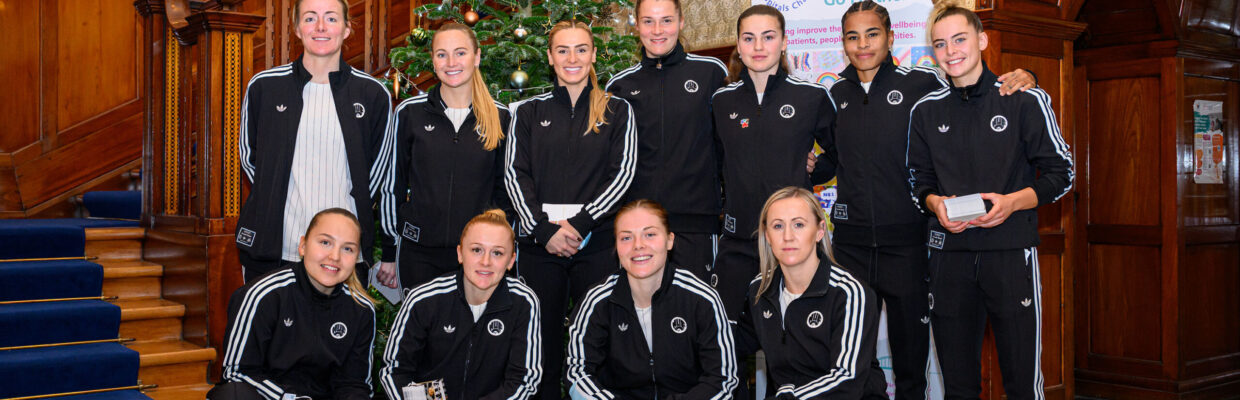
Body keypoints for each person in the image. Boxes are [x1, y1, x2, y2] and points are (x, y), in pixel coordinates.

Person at [823, 2, 1035, 398]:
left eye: (872, 34)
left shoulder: (922, 84)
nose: (862, 44)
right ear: (843, 43)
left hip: (908, 244)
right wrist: (811, 164)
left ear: (890, 37)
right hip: (850, 246)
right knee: (852, 359)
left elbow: (972, 92)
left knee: (911, 361)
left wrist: (1029, 75)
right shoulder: (833, 93)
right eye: (852, 36)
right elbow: (829, 159)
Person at [905, 4, 1073, 399]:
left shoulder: (1024, 100)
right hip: (949, 258)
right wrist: (936, 205)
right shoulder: (925, 112)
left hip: (1010, 254)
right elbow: (918, 182)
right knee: (958, 384)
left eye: (960, 39)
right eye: (941, 44)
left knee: (1021, 381)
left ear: (981, 40)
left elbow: (1062, 174)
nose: (951, 51)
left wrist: (1012, 203)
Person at [504, 20, 637, 400]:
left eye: (581, 49)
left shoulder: (617, 110)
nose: (572, 58)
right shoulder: (527, 112)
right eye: (562, 50)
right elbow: (515, 175)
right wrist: (544, 231)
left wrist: (578, 225)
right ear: (550, 57)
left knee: (597, 339)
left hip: (595, 246)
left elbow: (623, 175)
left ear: (594, 54)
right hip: (538, 247)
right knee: (539, 341)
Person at [236, 0, 394, 283]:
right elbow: (250, 157)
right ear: (297, 28)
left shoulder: (372, 94)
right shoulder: (264, 86)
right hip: (276, 248)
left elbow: (375, 173)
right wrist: (273, 198)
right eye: (310, 18)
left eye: (331, 19)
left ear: (346, 29)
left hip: (343, 253)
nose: (321, 27)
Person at [710, 4, 835, 322]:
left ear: (783, 42)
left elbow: (839, 156)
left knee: (796, 339)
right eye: (749, 38)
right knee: (728, 336)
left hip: (794, 244)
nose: (758, 47)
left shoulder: (811, 96)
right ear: (738, 45)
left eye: (768, 37)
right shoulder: (722, 101)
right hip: (738, 243)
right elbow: (715, 163)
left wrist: (813, 168)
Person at [375, 22, 513, 291]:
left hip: (478, 255)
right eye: (442, 54)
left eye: (460, 53)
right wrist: (390, 252)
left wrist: (497, 243)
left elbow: (506, 189)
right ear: (433, 61)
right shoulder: (409, 113)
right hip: (419, 253)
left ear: (477, 56)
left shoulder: (501, 116)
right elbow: (391, 186)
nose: (451, 62)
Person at [604, 0, 728, 281]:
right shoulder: (619, 86)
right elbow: (610, 158)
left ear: (681, 22)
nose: (658, 30)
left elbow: (733, 138)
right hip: (640, 226)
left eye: (666, 21)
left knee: (699, 312)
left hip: (697, 222)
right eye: (648, 21)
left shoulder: (711, 72)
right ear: (636, 25)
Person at [565, 200, 737, 400]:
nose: (638, 245)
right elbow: (576, 374)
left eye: (650, 234)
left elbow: (723, 380)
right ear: (617, 246)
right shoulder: (597, 302)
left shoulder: (702, 299)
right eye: (626, 237)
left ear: (669, 240)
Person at [210, 208, 376, 400]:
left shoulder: (361, 308)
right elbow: (237, 373)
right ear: (303, 246)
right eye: (325, 242)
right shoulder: (263, 295)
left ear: (356, 257)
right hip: (273, 397)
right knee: (232, 394)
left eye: (348, 248)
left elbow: (355, 384)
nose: (335, 257)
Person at [379, 209, 542, 400]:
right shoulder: (423, 299)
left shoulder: (524, 302)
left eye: (497, 253)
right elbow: (394, 370)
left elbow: (524, 380)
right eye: (476, 250)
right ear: (460, 254)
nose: (486, 261)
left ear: (511, 261)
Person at [737, 187, 880, 400]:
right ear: (767, 236)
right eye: (778, 226)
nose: (787, 236)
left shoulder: (849, 293)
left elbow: (847, 380)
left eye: (799, 225)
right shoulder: (760, 290)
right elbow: (731, 347)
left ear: (820, 231)